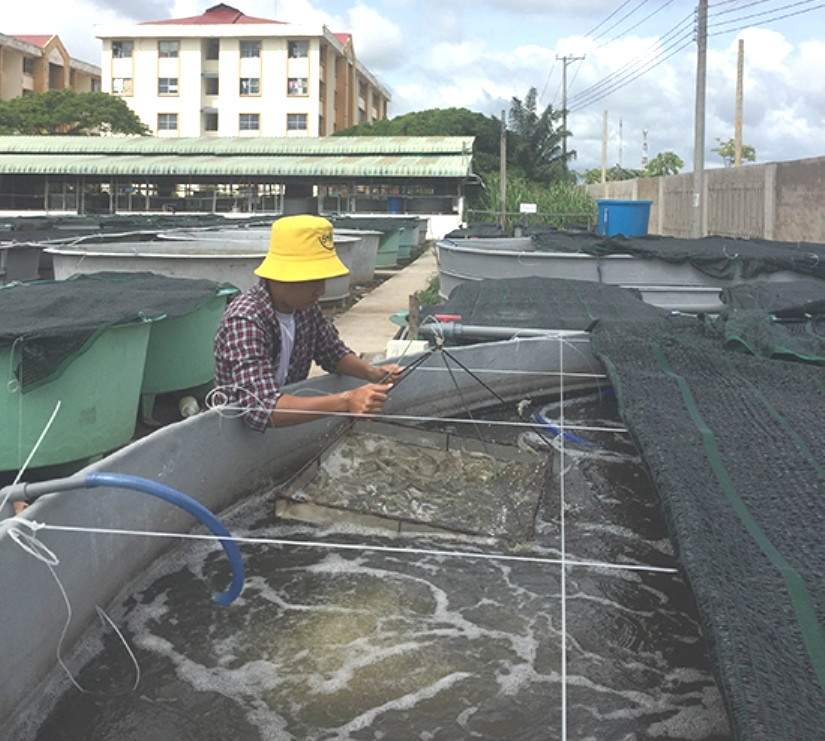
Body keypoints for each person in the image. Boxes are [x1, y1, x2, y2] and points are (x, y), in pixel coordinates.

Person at [214, 214, 402, 430]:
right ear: (283, 275)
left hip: (284, 427)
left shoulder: (305, 310)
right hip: (235, 438)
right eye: (313, 279)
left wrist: (371, 373)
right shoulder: (246, 320)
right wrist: (346, 401)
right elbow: (261, 408)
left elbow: (332, 353)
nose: (320, 290)